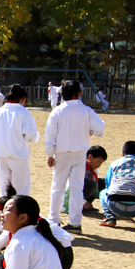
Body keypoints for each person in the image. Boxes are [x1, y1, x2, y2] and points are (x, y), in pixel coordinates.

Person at [44, 79, 106, 233]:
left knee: (58, 187)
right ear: (79, 93)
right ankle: (76, 222)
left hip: (62, 152)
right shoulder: (86, 110)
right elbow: (100, 128)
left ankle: (54, 220)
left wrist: (50, 154)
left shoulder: (58, 111)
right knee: (77, 188)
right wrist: (89, 128)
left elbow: (50, 134)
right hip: (80, 153)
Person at [0, 189, 74, 269]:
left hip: (59, 260)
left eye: (6, 211)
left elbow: (1, 240)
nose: (1, 217)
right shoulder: (34, 222)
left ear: (22, 216)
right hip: (64, 258)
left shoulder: (26, 228)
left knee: (7, 256)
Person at [0, 84, 39, 197]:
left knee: (4, 190)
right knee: (21, 191)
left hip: (1, 156)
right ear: (23, 99)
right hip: (19, 156)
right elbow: (32, 135)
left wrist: (0, 145)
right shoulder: (24, 113)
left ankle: (5, 212)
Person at [99, 140, 135, 229]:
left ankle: (109, 217)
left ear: (123, 154)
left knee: (103, 192)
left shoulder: (115, 164)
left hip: (115, 205)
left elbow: (108, 184)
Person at [63, 145, 108, 214]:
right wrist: (83, 202)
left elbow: (95, 191)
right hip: (67, 198)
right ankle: (79, 205)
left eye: (101, 163)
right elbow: (70, 187)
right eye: (98, 161)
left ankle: (84, 206)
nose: (99, 165)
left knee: (102, 182)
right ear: (90, 157)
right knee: (91, 184)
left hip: (81, 194)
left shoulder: (94, 171)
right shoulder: (79, 167)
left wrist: (104, 196)